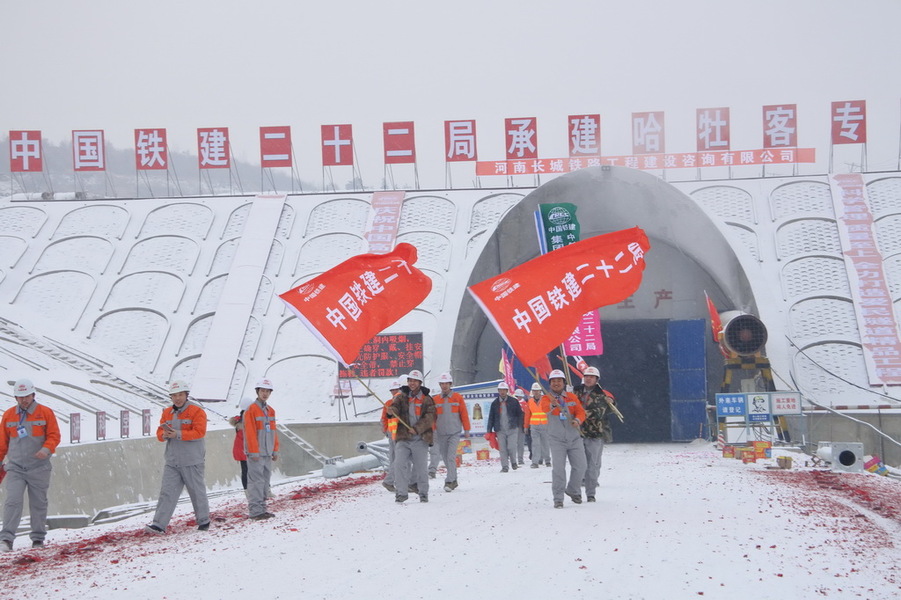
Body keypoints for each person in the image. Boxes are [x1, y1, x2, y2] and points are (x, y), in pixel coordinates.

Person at [0, 379, 60, 551]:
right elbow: (2, 442)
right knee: (12, 502)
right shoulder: (9, 415)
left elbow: (54, 435)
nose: (23, 400)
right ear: (15, 398)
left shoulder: (45, 413)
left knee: (38, 503)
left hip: (39, 468)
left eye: (26, 396)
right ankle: (6, 540)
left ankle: (38, 539)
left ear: (33, 395)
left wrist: (46, 450)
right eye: (20, 397)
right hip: (15, 467)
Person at [145, 380, 211, 534]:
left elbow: (199, 432)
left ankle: (204, 520)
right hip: (172, 461)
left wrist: (178, 434)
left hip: (192, 460)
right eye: (174, 395)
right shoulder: (167, 412)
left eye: (180, 394)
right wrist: (165, 434)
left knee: (196, 491)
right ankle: (158, 524)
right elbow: (159, 434)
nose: (177, 398)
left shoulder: (197, 411)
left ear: (186, 395)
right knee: (167, 492)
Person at [386, 370, 435, 503]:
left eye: (415, 381)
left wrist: (417, 429)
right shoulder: (401, 397)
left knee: (421, 468)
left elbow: (429, 417)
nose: (412, 383)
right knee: (399, 464)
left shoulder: (427, 399)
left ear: (420, 382)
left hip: (420, 439)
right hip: (403, 437)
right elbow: (395, 408)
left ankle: (423, 492)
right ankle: (401, 493)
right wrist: (391, 412)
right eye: (410, 381)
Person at [541, 369, 587, 508]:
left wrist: (578, 420)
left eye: (559, 381)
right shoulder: (546, 398)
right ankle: (558, 498)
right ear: (550, 384)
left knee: (581, 466)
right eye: (554, 381)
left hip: (574, 438)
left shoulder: (572, 397)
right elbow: (544, 409)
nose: (556, 383)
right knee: (559, 469)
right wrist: (553, 404)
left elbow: (580, 412)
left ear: (564, 383)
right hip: (556, 440)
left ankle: (573, 490)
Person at [574, 366, 617, 503]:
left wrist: (581, 414)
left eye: (591, 377)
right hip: (577, 433)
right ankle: (575, 492)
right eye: (586, 376)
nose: (588, 378)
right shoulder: (575, 391)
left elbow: (600, 411)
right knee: (578, 464)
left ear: (596, 379)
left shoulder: (601, 395)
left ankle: (590, 493)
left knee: (592, 464)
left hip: (594, 433)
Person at [243, 378, 279, 520]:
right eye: (262, 391)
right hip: (256, 454)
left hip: (267, 452)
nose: (265, 394)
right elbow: (250, 433)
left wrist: (275, 450)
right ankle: (256, 511)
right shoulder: (251, 410)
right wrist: (253, 451)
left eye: (267, 391)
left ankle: (262, 508)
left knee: (264, 481)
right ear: (257, 392)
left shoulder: (270, 411)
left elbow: (274, 432)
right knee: (256, 482)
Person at [430, 372, 471, 492]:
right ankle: (454, 478)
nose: (444, 386)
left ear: (450, 384)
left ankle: (449, 481)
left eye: (446, 383)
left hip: (454, 432)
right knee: (445, 457)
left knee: (450, 457)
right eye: (442, 384)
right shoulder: (435, 399)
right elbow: (433, 417)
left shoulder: (458, 398)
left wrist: (467, 429)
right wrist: (432, 431)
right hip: (440, 433)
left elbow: (463, 414)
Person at [486, 382, 523, 473]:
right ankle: (505, 466)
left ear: (507, 391)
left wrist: (519, 425)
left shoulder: (514, 401)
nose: (502, 392)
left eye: (504, 390)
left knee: (511, 447)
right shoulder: (495, 403)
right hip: (500, 429)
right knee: (502, 449)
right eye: (500, 390)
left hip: (512, 428)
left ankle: (514, 462)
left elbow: (520, 414)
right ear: (498, 391)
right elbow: (491, 417)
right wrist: (489, 430)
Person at [379, 379, 402, 493]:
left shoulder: (389, 403)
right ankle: (391, 481)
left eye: (395, 390)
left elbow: (383, 419)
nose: (394, 392)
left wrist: (385, 431)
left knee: (395, 459)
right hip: (397, 434)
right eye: (393, 390)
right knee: (401, 459)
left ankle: (397, 482)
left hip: (392, 433)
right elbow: (384, 418)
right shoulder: (402, 401)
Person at [228, 397, 254, 496]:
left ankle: (247, 490)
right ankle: (249, 490)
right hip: (245, 449)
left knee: (246, 471)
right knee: (250, 471)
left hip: (241, 449)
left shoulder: (240, 419)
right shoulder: (247, 420)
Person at [524, 382, 550, 468]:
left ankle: (547, 461)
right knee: (535, 444)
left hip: (544, 425)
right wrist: (526, 426)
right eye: (534, 391)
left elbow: (550, 412)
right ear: (532, 391)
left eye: (537, 391)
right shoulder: (530, 401)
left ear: (540, 391)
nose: (536, 392)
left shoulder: (545, 400)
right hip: (534, 425)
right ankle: (535, 462)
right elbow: (528, 414)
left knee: (545, 444)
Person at [514, 388, 527, 465]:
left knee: (520, 444)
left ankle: (520, 459)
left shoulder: (524, 404)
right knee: (516, 444)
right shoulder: (513, 403)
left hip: (520, 426)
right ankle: (516, 459)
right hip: (515, 426)